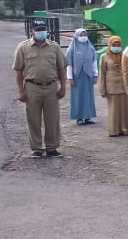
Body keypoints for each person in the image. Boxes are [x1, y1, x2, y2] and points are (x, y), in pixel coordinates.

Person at [13, 19, 67, 158]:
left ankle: (52, 147)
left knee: (52, 119)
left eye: (43, 29)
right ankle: (36, 148)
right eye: (38, 30)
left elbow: (62, 69)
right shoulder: (23, 47)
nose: (41, 32)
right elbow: (19, 71)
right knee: (33, 119)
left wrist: (63, 87)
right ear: (32, 31)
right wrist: (20, 90)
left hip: (51, 87)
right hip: (32, 87)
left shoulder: (54, 47)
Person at [66, 27, 98, 126]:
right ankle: (79, 118)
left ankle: (88, 117)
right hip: (77, 76)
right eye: (81, 35)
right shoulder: (72, 48)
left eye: (85, 35)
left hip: (88, 75)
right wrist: (70, 77)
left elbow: (94, 61)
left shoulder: (90, 47)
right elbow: (69, 64)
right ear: (76, 36)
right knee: (78, 96)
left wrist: (95, 75)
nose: (83, 37)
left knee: (88, 96)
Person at [99, 35, 128, 137]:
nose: (116, 47)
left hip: (124, 86)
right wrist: (102, 89)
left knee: (125, 109)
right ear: (110, 45)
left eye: (118, 45)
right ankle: (114, 130)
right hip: (111, 87)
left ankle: (125, 129)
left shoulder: (125, 55)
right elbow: (102, 74)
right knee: (114, 110)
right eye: (114, 45)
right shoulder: (104, 57)